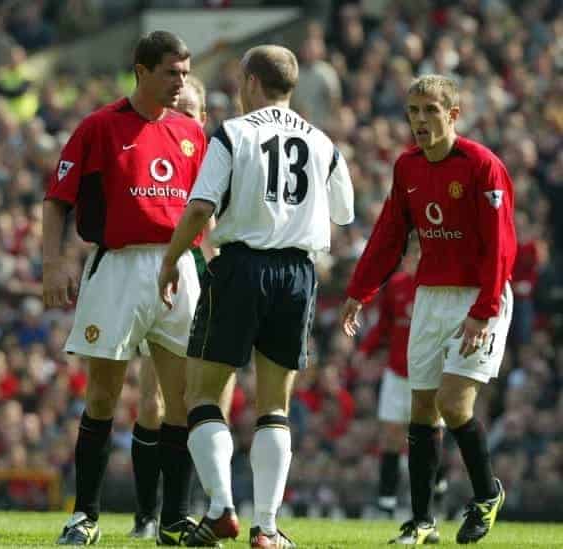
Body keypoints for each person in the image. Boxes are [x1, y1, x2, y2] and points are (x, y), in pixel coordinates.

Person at [158, 45, 354, 548]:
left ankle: (222, 508)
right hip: (297, 274)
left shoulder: (232, 133)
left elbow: (201, 207)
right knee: (275, 405)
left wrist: (170, 259)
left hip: (242, 266)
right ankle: (266, 528)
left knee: (201, 393)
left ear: (250, 81)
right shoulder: (323, 142)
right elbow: (345, 211)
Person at [43, 31, 208, 546]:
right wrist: (53, 264)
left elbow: (206, 210)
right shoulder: (99, 126)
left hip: (178, 268)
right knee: (103, 393)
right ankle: (85, 515)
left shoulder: (191, 133)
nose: (180, 83)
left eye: (185, 73)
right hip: (116, 268)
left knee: (178, 397)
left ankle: (174, 519)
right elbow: (57, 200)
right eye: (170, 73)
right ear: (141, 70)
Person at [341, 74, 516, 545]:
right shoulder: (407, 167)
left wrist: (484, 308)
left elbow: (501, 245)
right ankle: (422, 521)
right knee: (421, 407)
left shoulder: (482, 165)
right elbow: (389, 234)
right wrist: (361, 289)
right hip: (431, 296)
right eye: (413, 112)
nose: (420, 121)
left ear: (453, 114)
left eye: (430, 111)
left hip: (481, 296)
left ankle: (486, 494)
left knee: (453, 402)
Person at [129, 75, 237, 541]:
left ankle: (204, 505)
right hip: (162, 275)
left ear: (204, 118)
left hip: (203, 278)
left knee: (208, 404)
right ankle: (146, 512)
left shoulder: (220, 159)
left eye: (191, 113)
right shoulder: (161, 152)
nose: (182, 121)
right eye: (178, 112)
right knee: (154, 402)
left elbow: (218, 224)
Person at [356, 238, 448, 518]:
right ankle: (386, 504)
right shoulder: (395, 286)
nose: (416, 258)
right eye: (412, 253)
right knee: (391, 437)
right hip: (397, 373)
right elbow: (384, 325)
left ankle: (438, 489)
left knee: (430, 436)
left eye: (421, 253)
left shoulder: (438, 289)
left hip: (430, 373)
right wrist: (365, 351)